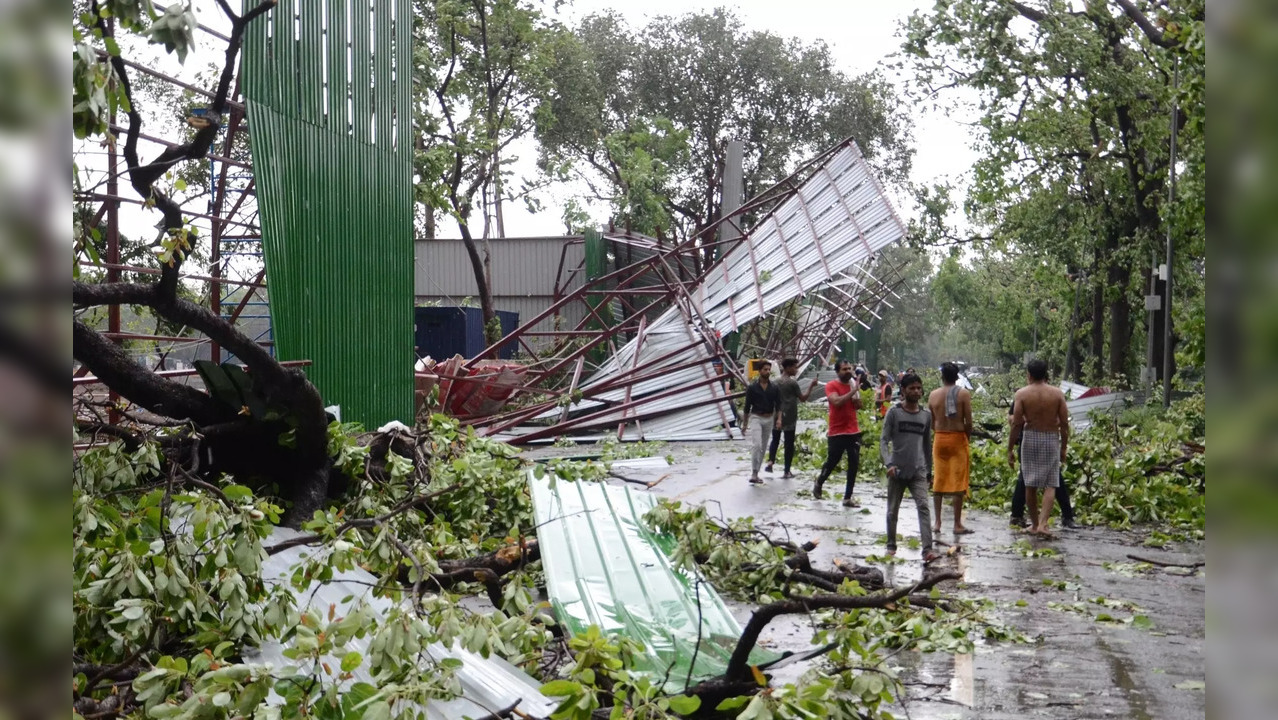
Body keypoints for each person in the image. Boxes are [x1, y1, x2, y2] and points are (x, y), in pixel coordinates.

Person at [881, 373, 940, 563]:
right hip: (897, 470)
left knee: (923, 506)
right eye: (912, 388)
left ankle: (927, 550)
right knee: (892, 510)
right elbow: (884, 440)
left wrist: (929, 471)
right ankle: (891, 545)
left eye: (918, 388)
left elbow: (926, 445)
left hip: (918, 471)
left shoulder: (926, 416)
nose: (916, 391)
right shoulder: (894, 413)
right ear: (903, 390)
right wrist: (888, 463)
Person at [1008, 358, 1071, 537]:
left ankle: (1035, 524)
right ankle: (1044, 524)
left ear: (1028, 374)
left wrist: (1010, 449)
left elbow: (1016, 423)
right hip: (1051, 438)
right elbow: (1064, 424)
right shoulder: (1057, 394)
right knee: (1051, 484)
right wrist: (1064, 447)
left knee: (1030, 483)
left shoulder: (1022, 394)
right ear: (1046, 374)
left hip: (1030, 438)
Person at [1009, 404, 1077, 529]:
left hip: (1048, 439)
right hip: (1028, 439)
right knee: (1026, 479)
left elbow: (1062, 422)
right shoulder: (1024, 394)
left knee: (1054, 479)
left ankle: (1065, 517)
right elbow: (1012, 419)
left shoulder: (1053, 395)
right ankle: (1018, 516)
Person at [928, 361, 974, 535]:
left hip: (940, 438)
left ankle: (938, 523)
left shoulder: (933, 395)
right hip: (957, 438)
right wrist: (966, 438)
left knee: (939, 479)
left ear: (942, 376)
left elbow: (932, 422)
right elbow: (968, 422)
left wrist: (940, 432)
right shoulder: (963, 394)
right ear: (957, 377)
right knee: (958, 480)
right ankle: (956, 524)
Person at [812, 359, 863, 506]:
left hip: (853, 430)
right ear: (837, 371)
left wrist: (857, 396)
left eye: (849, 369)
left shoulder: (853, 385)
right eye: (844, 369)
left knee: (854, 463)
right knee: (832, 461)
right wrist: (853, 391)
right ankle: (820, 481)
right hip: (837, 431)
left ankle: (847, 498)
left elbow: (858, 406)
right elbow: (836, 402)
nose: (848, 372)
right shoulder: (831, 385)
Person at [766, 358, 819, 478]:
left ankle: (771, 461)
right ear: (788, 368)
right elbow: (803, 398)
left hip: (776, 415)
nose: (796, 369)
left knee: (775, 439)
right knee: (789, 444)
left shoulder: (775, 382)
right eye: (795, 367)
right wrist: (811, 385)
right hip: (790, 415)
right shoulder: (792, 383)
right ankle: (787, 471)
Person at [740, 360, 781, 485]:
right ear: (759, 371)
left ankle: (756, 473)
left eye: (769, 370)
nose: (767, 372)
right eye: (765, 369)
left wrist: (779, 419)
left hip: (769, 419)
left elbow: (779, 405)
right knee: (757, 445)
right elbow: (747, 407)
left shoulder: (774, 387)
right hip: (756, 417)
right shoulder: (752, 388)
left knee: (763, 447)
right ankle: (753, 472)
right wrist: (745, 424)